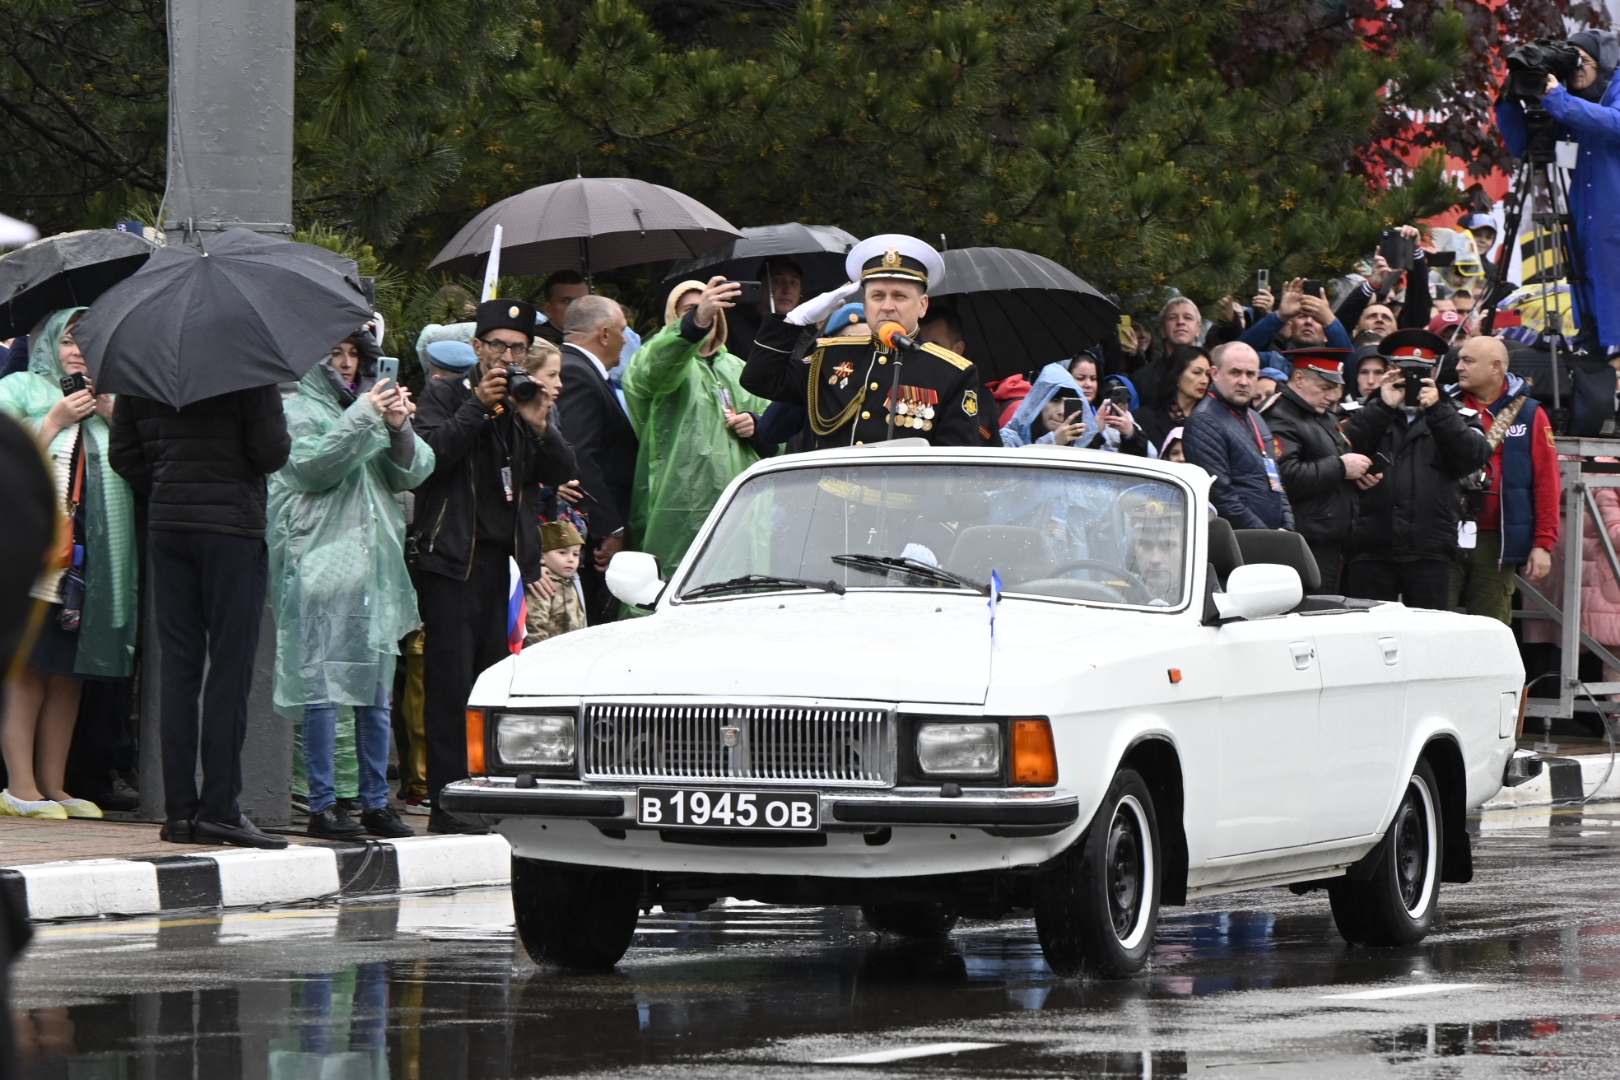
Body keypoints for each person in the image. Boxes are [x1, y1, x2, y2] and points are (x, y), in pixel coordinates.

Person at [110, 351, 293, 849]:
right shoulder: (248, 366)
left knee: (179, 671)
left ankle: (180, 814)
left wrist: (169, 483)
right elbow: (272, 452)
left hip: (169, 528)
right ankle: (220, 809)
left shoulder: (139, 366)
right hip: (230, 529)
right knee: (229, 669)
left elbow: (123, 454)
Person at [411, 298, 576, 834]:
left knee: (495, 688)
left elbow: (561, 470)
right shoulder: (443, 395)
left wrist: (535, 423)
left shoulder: (523, 400)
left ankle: (491, 799)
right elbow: (429, 459)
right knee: (451, 686)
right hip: (452, 561)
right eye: (498, 346)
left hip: (504, 565)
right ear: (478, 348)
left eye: (518, 349)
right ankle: (447, 803)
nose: (506, 357)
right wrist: (478, 406)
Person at [269, 354, 433, 839]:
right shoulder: (297, 406)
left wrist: (398, 426)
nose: (346, 362)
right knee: (323, 690)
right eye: (334, 352)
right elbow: (312, 467)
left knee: (375, 692)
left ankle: (375, 802)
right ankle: (323, 805)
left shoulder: (362, 404)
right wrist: (362, 415)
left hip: (373, 570)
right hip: (321, 566)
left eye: (353, 352)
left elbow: (412, 471)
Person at [0, 308, 138, 819]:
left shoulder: (115, 400)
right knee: (30, 669)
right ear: (49, 344)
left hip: (96, 557)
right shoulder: (20, 388)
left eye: (89, 341)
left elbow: (140, 468)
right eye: (68, 340)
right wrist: (53, 419)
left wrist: (112, 417)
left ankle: (55, 786)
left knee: (70, 673)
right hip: (35, 552)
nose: (77, 350)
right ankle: (19, 787)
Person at [742, 234, 984, 447]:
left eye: (899, 296)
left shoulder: (952, 372)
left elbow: (952, 460)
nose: (887, 307)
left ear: (922, 306)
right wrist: (793, 321)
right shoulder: (832, 356)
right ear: (865, 303)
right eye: (877, 296)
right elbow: (759, 379)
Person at [623, 279, 776, 581]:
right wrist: (697, 322)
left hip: (742, 516)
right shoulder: (653, 363)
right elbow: (654, 371)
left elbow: (776, 439)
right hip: (678, 513)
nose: (703, 312)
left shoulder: (739, 369)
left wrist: (757, 426)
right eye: (689, 309)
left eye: (709, 306)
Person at [1343, 329, 1492, 609]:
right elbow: (1341, 448)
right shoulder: (1362, 411)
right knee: (1369, 636)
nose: (1411, 379)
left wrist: (1437, 410)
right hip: (1371, 545)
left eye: (1420, 371)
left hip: (1430, 547)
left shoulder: (1455, 415)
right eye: (1404, 370)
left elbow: (1474, 456)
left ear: (1434, 373)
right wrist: (1382, 407)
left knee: (1429, 639)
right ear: (1390, 371)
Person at [1496, 30, 1620, 352]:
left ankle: (1613, 353)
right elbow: (1525, 145)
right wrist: (1509, 101)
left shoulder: (1610, 92)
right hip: (1585, 218)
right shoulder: (1572, 104)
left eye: (1584, 61)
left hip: (1613, 220)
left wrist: (1559, 100)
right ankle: (1591, 349)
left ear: (1604, 62)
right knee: (1584, 278)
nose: (1576, 68)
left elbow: (1614, 123)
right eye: (1571, 60)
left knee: (1611, 283)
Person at [1446, 335, 1558, 624]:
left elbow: (1547, 481)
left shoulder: (1530, 413)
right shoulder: (1444, 406)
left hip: (1497, 540)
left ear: (1496, 367)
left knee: (1491, 631)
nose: (1458, 367)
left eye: (1467, 360)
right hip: (1442, 533)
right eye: (1459, 359)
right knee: (1433, 625)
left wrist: (1543, 543)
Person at [557, 295, 638, 624]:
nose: (626, 339)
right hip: (591, 535)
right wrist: (610, 527)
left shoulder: (579, 370)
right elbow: (580, 456)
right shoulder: (576, 373)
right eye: (622, 330)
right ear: (604, 334)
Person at [1261, 347, 1369, 588]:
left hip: (1331, 537)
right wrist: (1340, 468)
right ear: (1299, 378)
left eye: (1334, 389)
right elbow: (1284, 476)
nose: (1331, 396)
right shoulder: (1280, 416)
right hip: (1305, 540)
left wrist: (1357, 473)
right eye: (1324, 388)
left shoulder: (1322, 415)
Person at [1182, 342, 1295, 531]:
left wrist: (1287, 526)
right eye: (1235, 372)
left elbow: (1275, 481)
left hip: (1270, 536)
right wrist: (1267, 537)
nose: (1244, 381)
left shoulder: (1256, 418)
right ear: (1215, 374)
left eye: (1250, 374)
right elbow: (1220, 496)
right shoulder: (1204, 421)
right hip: (1239, 542)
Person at [999, 363, 1097, 448]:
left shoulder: (1080, 448)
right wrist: (1052, 442)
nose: (1061, 411)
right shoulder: (1009, 439)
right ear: (1038, 402)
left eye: (1068, 402)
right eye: (1054, 400)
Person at [1136, 345, 1210, 456]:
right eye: (1197, 372)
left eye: (1208, 374)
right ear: (1177, 375)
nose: (1205, 380)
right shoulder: (1145, 418)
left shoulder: (1209, 422)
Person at [524, 520, 588, 646]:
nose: (571, 559)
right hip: (547, 656)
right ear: (542, 556)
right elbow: (534, 624)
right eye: (562, 553)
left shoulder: (573, 583)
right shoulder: (543, 584)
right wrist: (540, 654)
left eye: (575, 554)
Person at [532, 271, 589, 348]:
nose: (577, 307)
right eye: (566, 301)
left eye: (583, 300)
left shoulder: (594, 339)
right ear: (548, 309)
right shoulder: (539, 346)